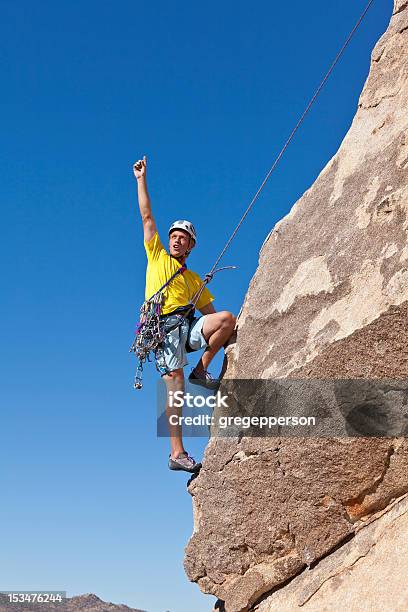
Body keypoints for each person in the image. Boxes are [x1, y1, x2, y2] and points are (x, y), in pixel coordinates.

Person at [133, 155, 236, 473]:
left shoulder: (194, 280)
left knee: (226, 319)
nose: (177, 240)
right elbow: (148, 216)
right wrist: (141, 179)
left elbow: (215, 318)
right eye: (174, 236)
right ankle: (176, 453)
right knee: (173, 384)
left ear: (191, 246)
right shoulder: (157, 256)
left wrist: (219, 341)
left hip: (187, 327)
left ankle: (201, 371)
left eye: (183, 238)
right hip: (163, 327)